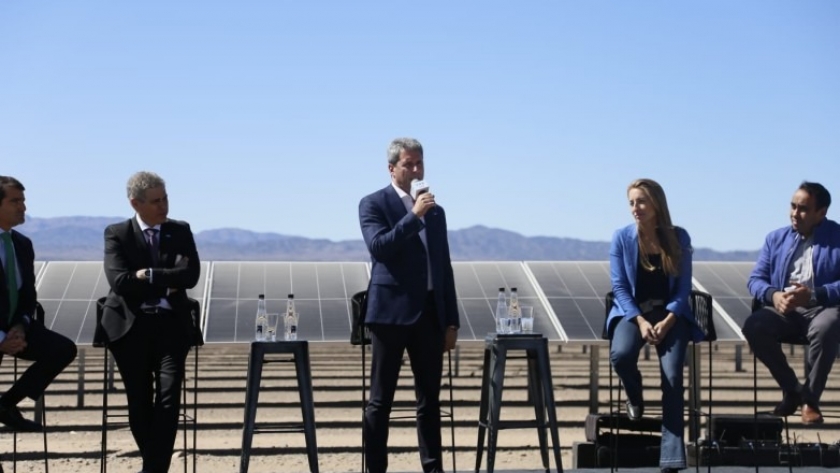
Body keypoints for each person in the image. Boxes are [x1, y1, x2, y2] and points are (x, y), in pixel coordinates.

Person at [358, 137, 459, 473]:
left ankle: (433, 468)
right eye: (409, 164)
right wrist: (413, 216)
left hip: (430, 314)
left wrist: (451, 320)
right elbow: (380, 248)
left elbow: (443, 266)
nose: (416, 170)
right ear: (392, 169)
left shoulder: (437, 213)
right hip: (390, 314)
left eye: (420, 163)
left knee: (429, 401)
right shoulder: (373, 204)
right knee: (380, 400)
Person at [101, 171, 201, 473]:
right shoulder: (117, 233)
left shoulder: (180, 231)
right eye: (156, 201)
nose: (163, 206)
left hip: (172, 326)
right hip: (131, 329)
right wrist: (167, 281)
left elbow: (190, 275)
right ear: (136, 203)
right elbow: (120, 282)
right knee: (140, 402)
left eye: (165, 198)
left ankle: (153, 470)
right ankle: (155, 466)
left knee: (169, 398)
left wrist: (149, 275)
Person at [607, 178, 701, 473]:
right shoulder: (622, 238)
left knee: (672, 378)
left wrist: (669, 319)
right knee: (621, 355)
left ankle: (671, 459)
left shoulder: (679, 238)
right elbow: (620, 287)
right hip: (632, 314)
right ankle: (634, 394)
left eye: (642, 201)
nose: (636, 208)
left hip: (671, 315)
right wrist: (641, 321)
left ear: (657, 204)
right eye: (632, 202)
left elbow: (683, 288)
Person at [743, 181, 840, 425]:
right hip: (785, 311)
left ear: (822, 212)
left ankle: (810, 401)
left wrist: (815, 294)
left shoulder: (838, 238)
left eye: (804, 208)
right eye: (793, 206)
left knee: (827, 327)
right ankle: (794, 390)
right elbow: (755, 279)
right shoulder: (775, 239)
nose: (795, 213)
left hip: (824, 309)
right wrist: (773, 295)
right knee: (754, 325)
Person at [0, 176, 77, 437]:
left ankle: (6, 404)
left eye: (23, 201)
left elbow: (28, 294)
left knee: (62, 349)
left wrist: (20, 326)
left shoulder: (22, 244)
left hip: (14, 328)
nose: (23, 207)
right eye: (15, 201)